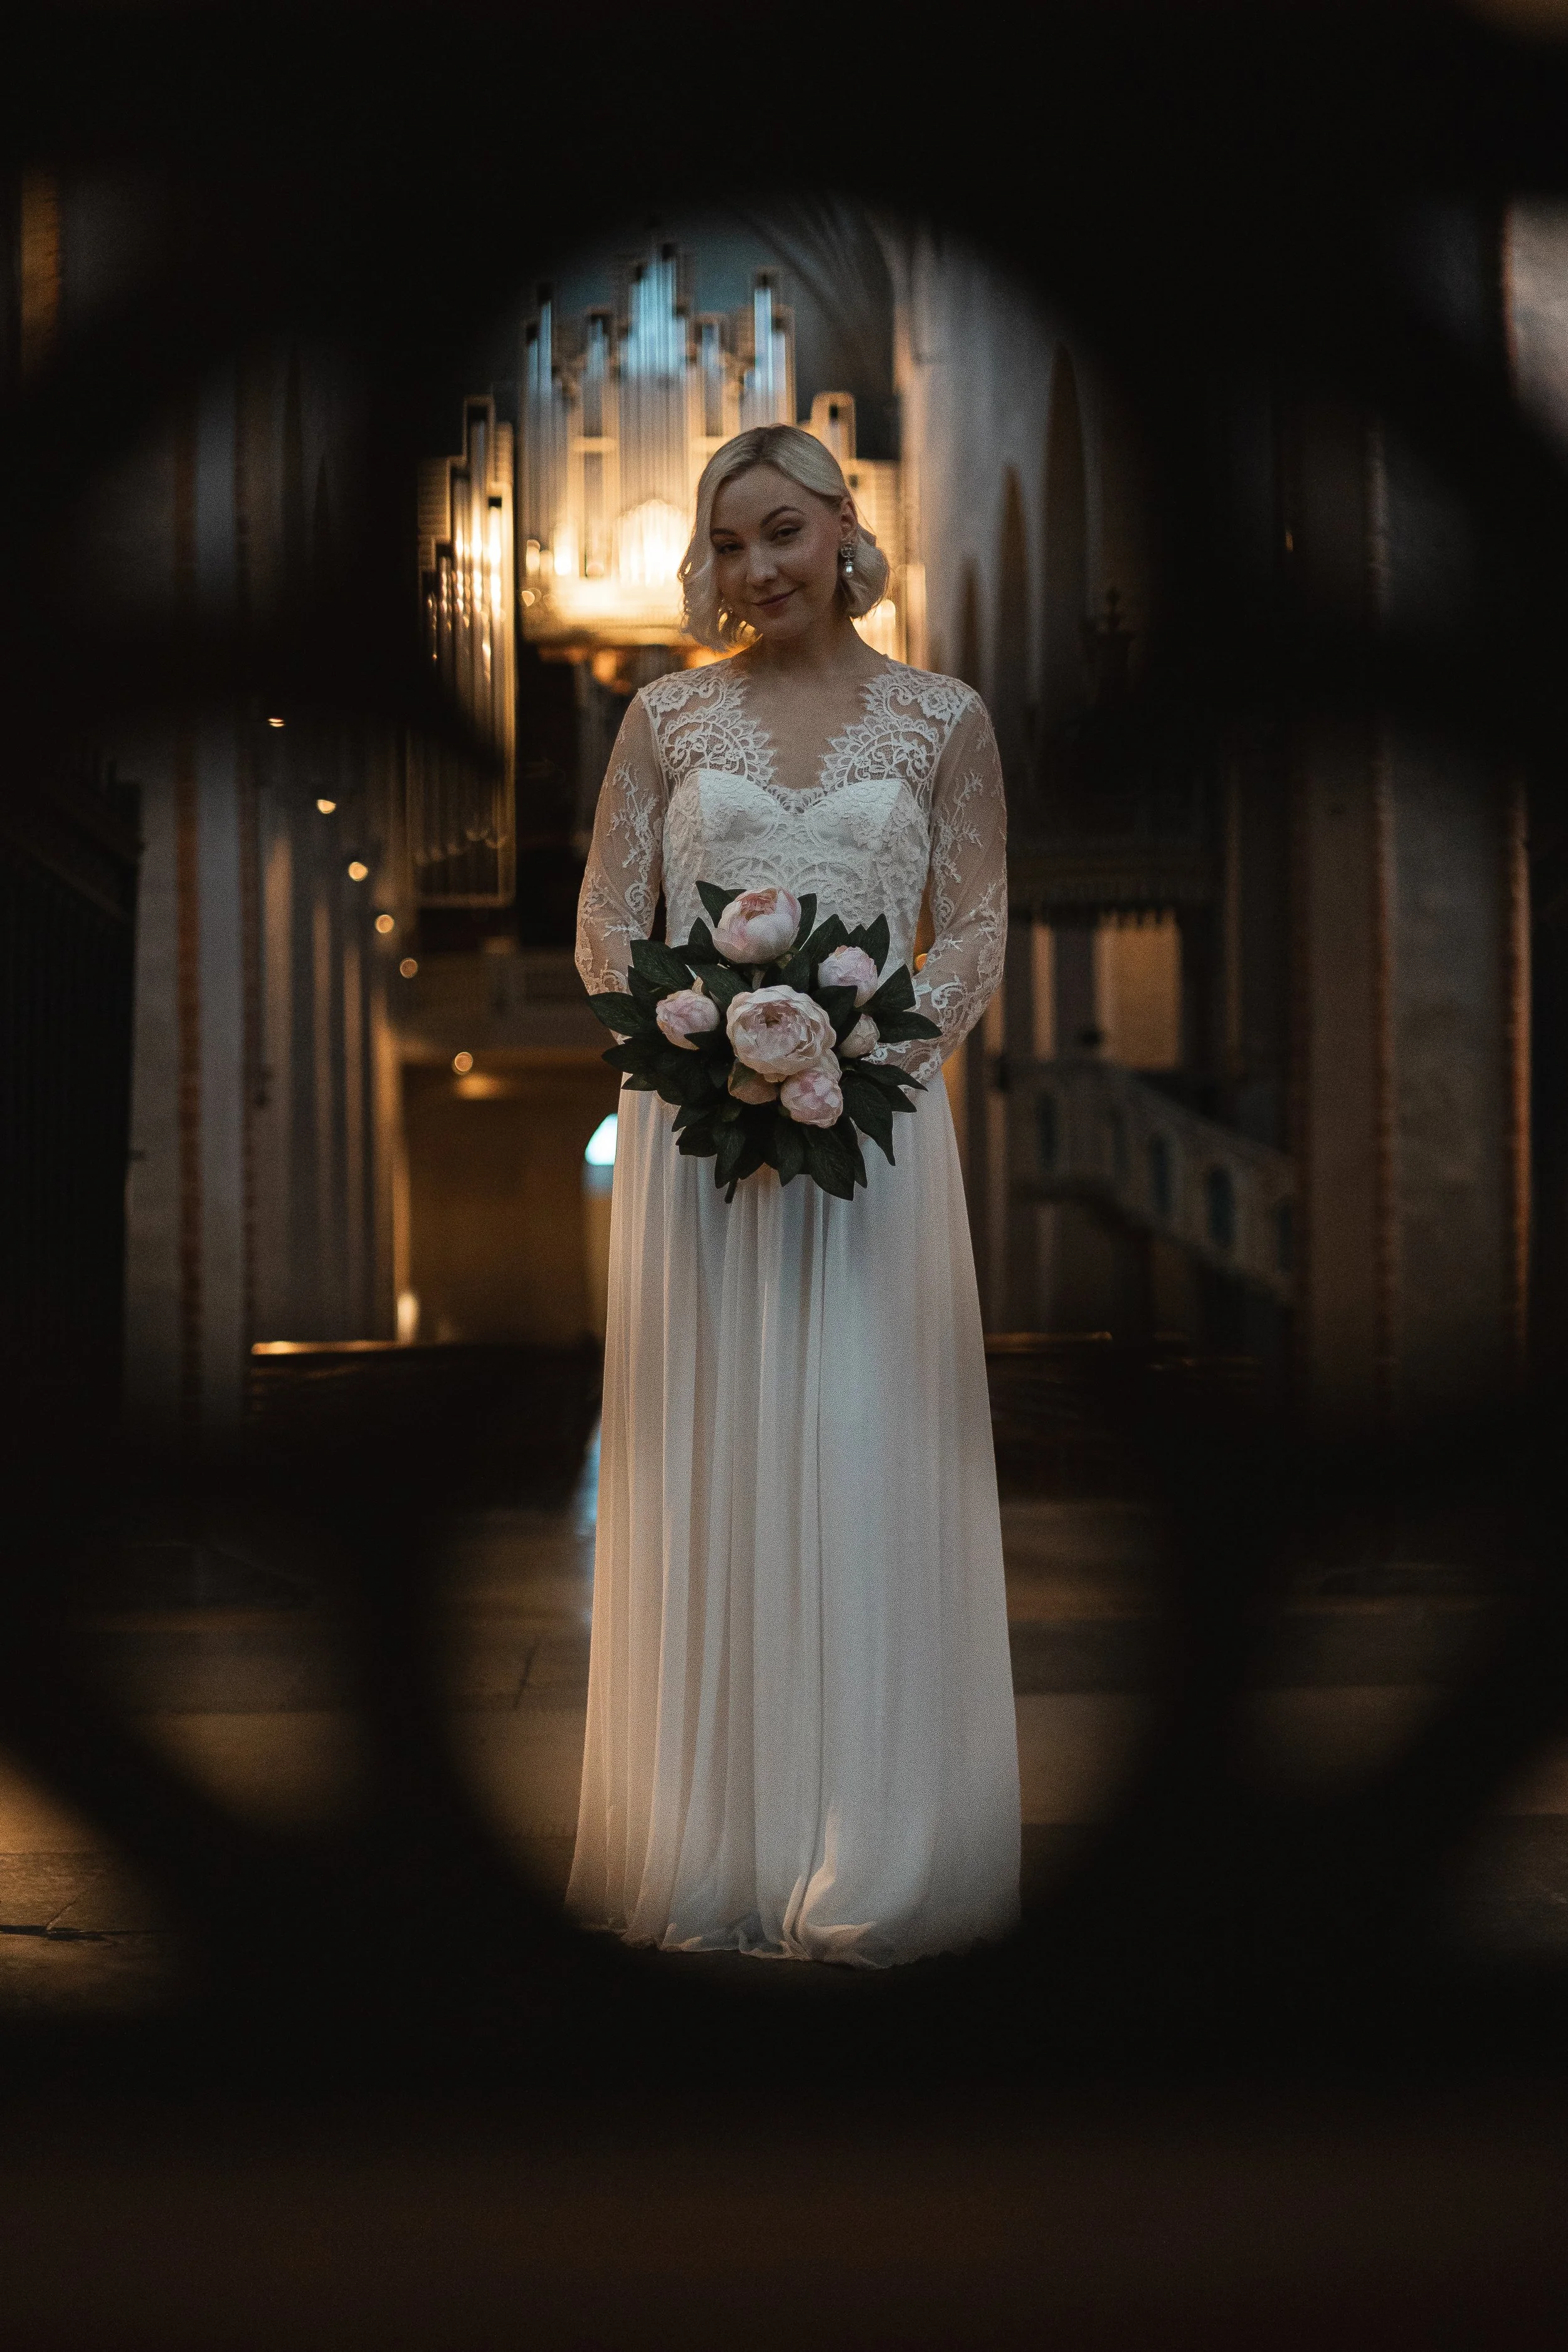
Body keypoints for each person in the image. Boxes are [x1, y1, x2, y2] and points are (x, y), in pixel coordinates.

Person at [568, 423, 1019, 1965]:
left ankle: (867, 1843)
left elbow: (973, 934)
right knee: (710, 1456)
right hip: (701, 1142)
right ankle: (718, 1839)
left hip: (874, 1131)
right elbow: (603, 932)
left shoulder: (942, 718)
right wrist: (700, 1036)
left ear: (842, 525)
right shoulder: (668, 721)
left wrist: (865, 1041)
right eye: (728, 544)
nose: (755, 570)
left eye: (780, 533)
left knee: (857, 1439)